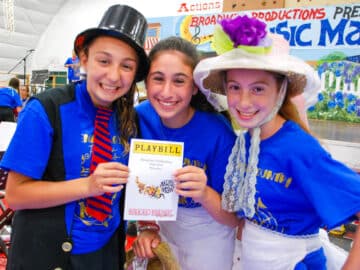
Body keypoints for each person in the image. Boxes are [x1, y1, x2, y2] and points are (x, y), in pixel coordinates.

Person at [193, 15, 360, 270]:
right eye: (235, 87)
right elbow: (240, 220)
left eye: (258, 89)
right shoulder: (245, 143)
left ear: (281, 91)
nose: (244, 102)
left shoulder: (299, 149)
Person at [0, 4, 149, 270]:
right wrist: (88, 186)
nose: (114, 75)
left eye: (126, 66)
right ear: (83, 58)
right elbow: (15, 195)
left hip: (104, 254)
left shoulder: (131, 120)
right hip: (46, 256)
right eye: (104, 61)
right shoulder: (45, 109)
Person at [132, 36, 240, 270]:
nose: (167, 92)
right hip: (162, 231)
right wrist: (147, 226)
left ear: (194, 87)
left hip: (210, 240)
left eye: (179, 81)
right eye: (158, 79)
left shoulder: (219, 133)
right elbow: (139, 188)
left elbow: (233, 218)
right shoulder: (139, 118)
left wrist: (203, 192)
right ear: (146, 83)